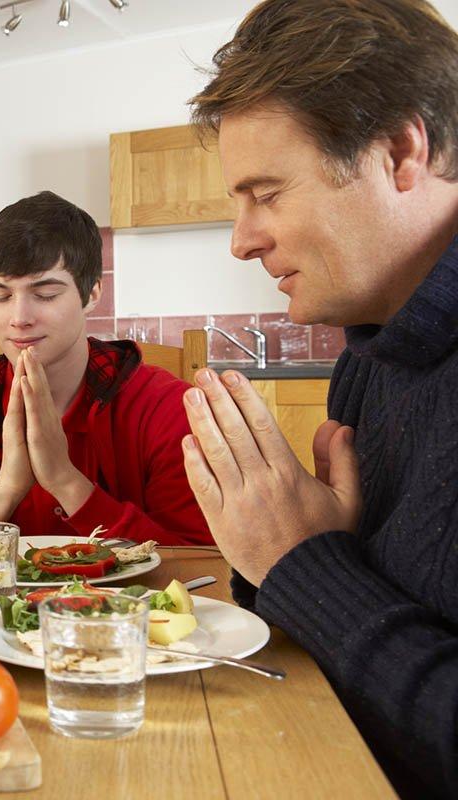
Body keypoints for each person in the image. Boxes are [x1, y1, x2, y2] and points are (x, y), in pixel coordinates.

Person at [183, 1, 458, 796]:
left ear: (401, 150)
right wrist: (273, 550)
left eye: (265, 193)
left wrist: (300, 564)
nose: (241, 239)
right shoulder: (373, 352)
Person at [0, 191, 212, 546]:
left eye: (45, 295)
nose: (19, 318)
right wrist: (5, 490)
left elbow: (199, 559)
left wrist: (66, 482)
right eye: (0, 296)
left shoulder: (164, 408)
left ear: (92, 294)